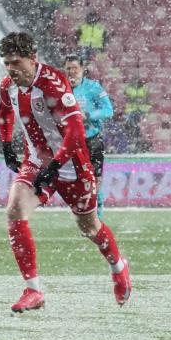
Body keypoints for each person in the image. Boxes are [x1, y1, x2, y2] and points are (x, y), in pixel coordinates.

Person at [0, 32, 129, 312]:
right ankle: (33, 291)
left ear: (32, 59)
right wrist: (7, 145)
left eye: (16, 62)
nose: (11, 69)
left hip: (72, 165)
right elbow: (5, 112)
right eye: (6, 63)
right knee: (14, 210)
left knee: (90, 227)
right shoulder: (8, 85)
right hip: (36, 161)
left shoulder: (53, 83)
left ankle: (118, 267)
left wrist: (55, 166)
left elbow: (76, 132)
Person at [64, 55, 114, 218]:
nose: (71, 72)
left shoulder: (93, 88)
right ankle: (83, 213)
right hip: (70, 142)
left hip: (91, 141)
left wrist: (88, 115)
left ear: (83, 69)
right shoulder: (60, 89)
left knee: (95, 179)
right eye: (68, 68)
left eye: (75, 68)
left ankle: (98, 216)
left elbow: (108, 110)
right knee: (77, 181)